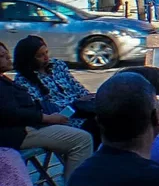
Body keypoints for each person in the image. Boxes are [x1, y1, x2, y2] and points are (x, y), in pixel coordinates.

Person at [0, 41, 93, 178]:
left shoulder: (5, 79)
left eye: (6, 53)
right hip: (21, 131)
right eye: (2, 56)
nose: (8, 57)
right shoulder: (18, 80)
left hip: (34, 122)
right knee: (83, 139)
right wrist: (46, 118)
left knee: (101, 121)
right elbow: (11, 113)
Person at [13, 35, 99, 139]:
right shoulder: (23, 80)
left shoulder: (57, 65)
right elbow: (42, 108)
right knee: (94, 126)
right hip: (62, 117)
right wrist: (75, 103)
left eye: (46, 53)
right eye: (40, 56)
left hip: (82, 107)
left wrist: (89, 98)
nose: (46, 58)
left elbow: (76, 86)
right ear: (29, 59)